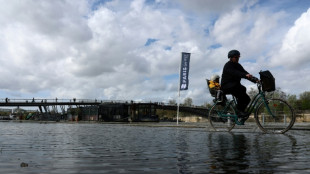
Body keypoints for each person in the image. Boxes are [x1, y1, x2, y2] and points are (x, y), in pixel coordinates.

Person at [221, 50, 254, 118]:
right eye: (236, 57)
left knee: (247, 99)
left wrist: (255, 79)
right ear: (231, 58)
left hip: (234, 86)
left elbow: (245, 73)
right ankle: (239, 111)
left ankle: (240, 111)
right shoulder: (228, 65)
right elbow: (235, 72)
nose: (237, 59)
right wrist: (245, 75)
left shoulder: (238, 65)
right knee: (241, 90)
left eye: (238, 57)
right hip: (227, 86)